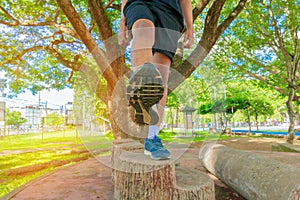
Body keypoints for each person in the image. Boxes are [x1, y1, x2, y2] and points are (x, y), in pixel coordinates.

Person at [118, 0, 194, 160]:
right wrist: (122, 23)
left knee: (162, 75)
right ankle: (141, 86)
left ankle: (152, 138)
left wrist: (190, 28)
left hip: (171, 12)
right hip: (139, 3)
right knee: (144, 29)